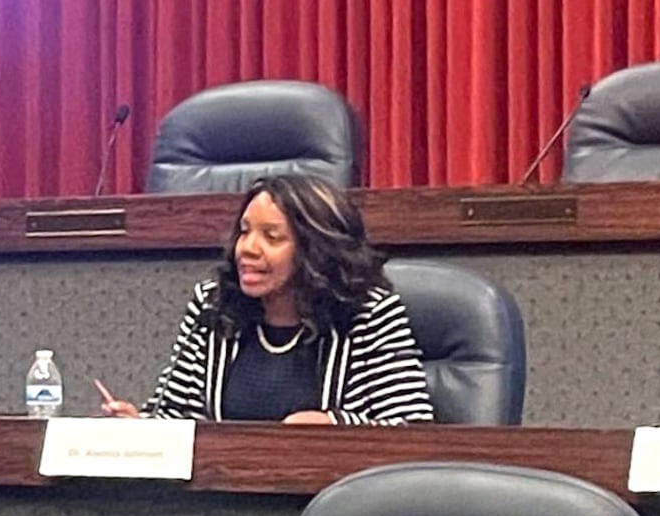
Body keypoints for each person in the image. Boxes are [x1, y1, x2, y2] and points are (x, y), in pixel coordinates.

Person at [101, 173, 432, 426]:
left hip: (335, 500)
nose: (246, 249)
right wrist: (140, 427)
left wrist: (336, 425)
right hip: (220, 503)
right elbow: (176, 415)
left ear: (317, 250)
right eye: (244, 232)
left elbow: (412, 430)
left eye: (271, 237)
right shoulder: (214, 305)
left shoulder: (368, 310)